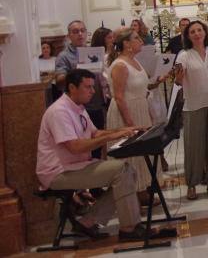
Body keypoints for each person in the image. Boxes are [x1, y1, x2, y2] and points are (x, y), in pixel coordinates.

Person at [36, 69, 152, 241]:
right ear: (72, 87)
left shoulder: (77, 107)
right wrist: (114, 136)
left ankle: (88, 222)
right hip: (57, 172)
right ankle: (129, 228)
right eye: (88, 87)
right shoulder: (59, 112)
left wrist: (124, 130)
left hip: (74, 166)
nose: (93, 91)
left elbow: (95, 133)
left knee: (129, 172)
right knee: (122, 170)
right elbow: (75, 147)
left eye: (93, 87)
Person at [174, 20, 208, 201]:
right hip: (194, 105)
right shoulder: (184, 55)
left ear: (205, 32)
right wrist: (176, 75)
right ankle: (192, 184)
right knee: (194, 146)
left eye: (199, 30)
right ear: (188, 36)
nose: (197, 34)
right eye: (192, 31)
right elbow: (178, 80)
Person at [105, 28, 156, 204]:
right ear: (126, 43)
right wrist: (130, 125)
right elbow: (119, 96)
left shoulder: (134, 61)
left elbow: (142, 88)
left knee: (141, 155)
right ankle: (131, 195)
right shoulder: (120, 65)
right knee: (131, 154)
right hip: (127, 112)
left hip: (139, 108)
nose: (141, 41)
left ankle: (141, 190)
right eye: (136, 38)